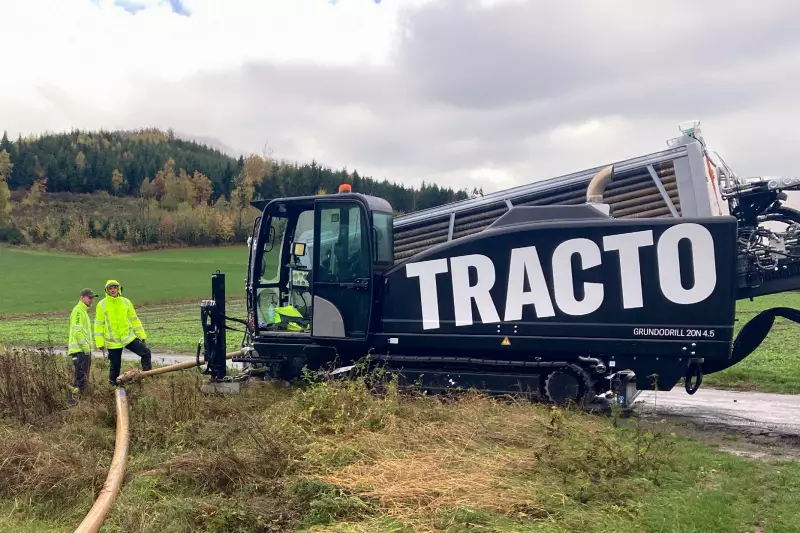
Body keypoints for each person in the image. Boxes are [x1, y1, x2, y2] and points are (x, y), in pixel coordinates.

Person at [94, 279, 152, 385]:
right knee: (115, 366)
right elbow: (98, 324)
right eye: (110, 288)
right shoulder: (101, 304)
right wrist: (100, 343)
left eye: (114, 288)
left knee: (146, 353)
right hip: (113, 342)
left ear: (118, 289)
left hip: (128, 337)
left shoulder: (126, 302)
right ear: (106, 291)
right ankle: (113, 387)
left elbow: (134, 320)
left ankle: (147, 378)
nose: (113, 290)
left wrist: (142, 335)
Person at [68, 288, 98, 398]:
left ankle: (77, 401)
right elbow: (77, 331)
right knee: (81, 379)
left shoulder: (83, 311)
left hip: (83, 352)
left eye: (92, 298)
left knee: (81, 379)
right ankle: (75, 402)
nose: (91, 300)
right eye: (89, 297)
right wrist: (85, 347)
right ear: (82, 298)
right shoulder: (78, 311)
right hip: (80, 351)